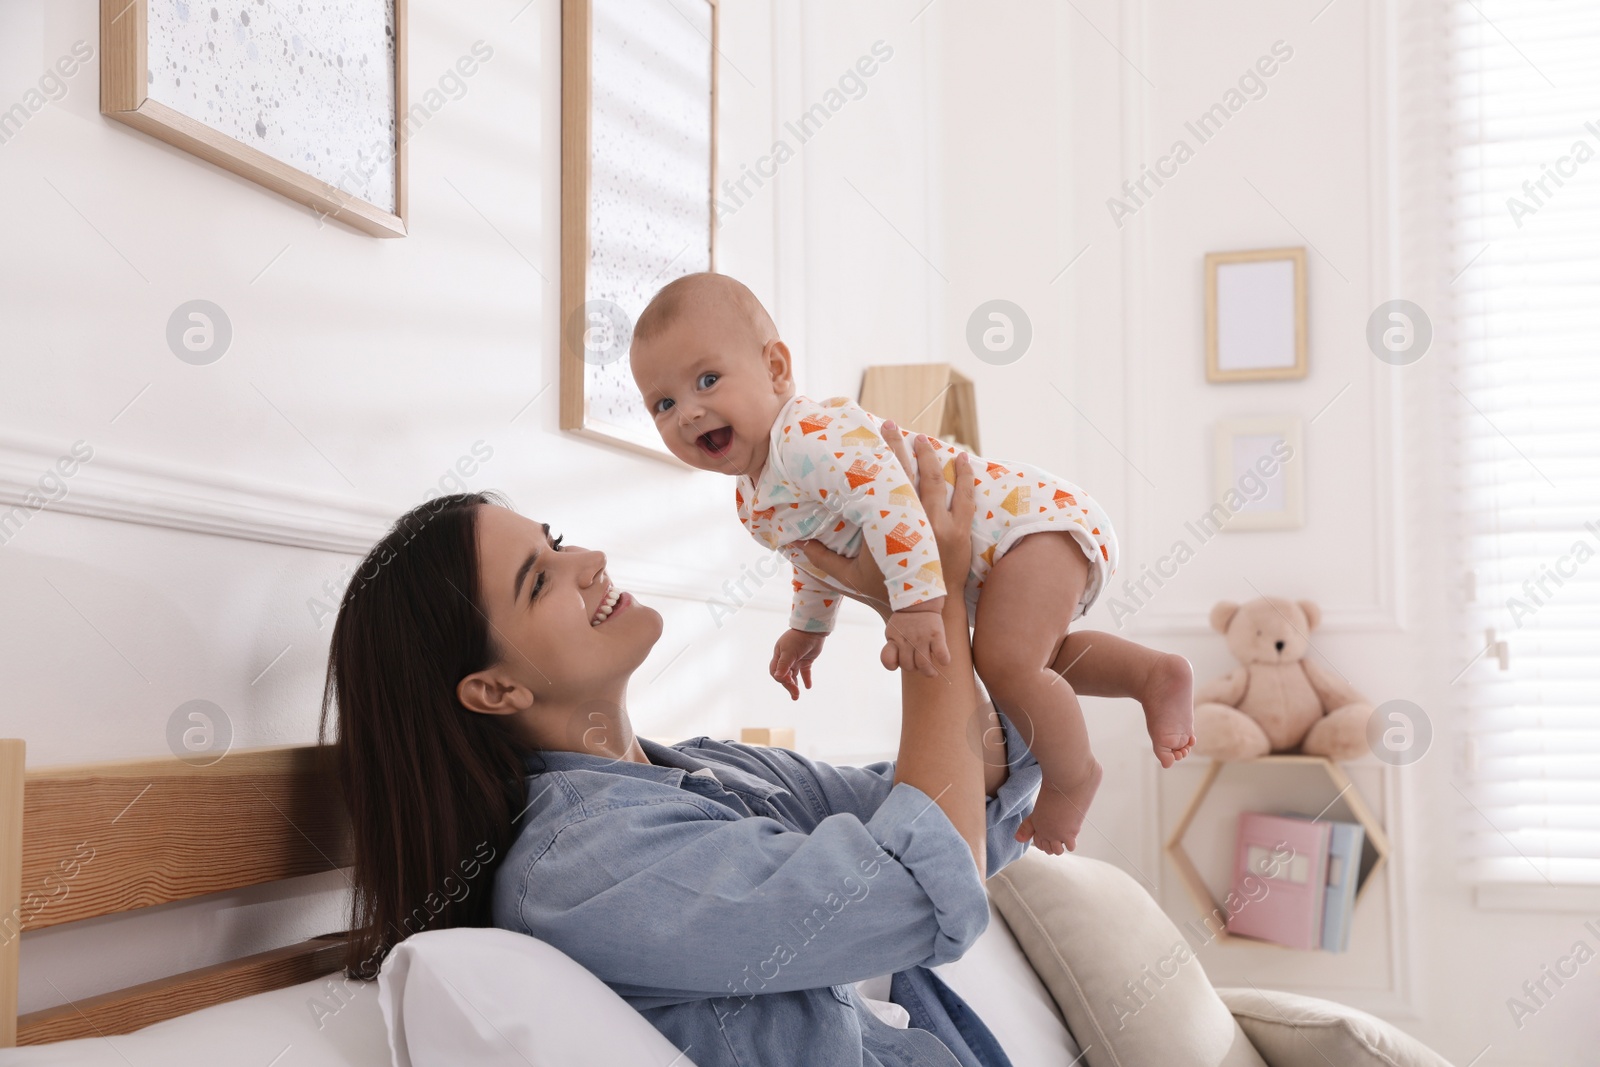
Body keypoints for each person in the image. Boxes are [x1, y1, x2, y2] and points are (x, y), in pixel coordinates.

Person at [319, 429, 1044, 1066]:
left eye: (558, 542)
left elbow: (969, 798)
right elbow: (919, 889)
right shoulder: (587, 867)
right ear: (495, 690)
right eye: (541, 580)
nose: (592, 560)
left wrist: (908, 596)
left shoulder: (707, 768)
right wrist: (930, 594)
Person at [628, 270, 1196, 854]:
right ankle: (1150, 674)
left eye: (708, 380)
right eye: (664, 403)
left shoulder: (807, 434)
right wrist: (809, 626)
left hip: (1026, 526)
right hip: (1003, 553)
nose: (689, 413)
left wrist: (920, 605)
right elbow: (817, 554)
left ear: (775, 369)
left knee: (1005, 664)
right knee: (1026, 658)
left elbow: (889, 499)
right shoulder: (754, 499)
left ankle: (1073, 778)